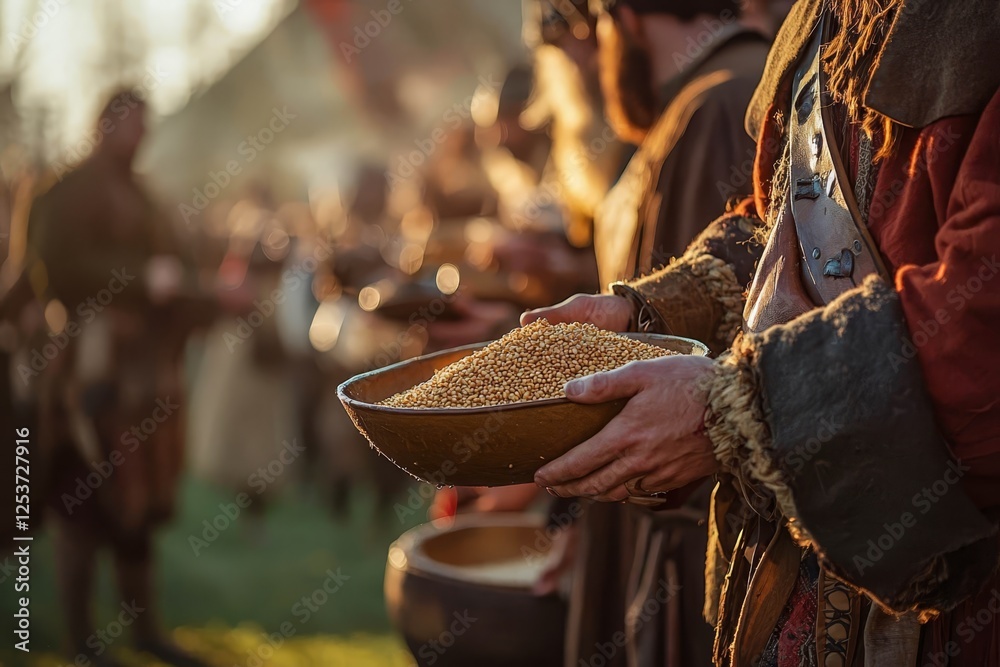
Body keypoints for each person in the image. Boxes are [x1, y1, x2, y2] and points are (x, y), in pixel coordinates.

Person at [524, 0, 1000, 664]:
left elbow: (979, 332)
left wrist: (735, 411)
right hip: (793, 579)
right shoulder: (825, 18)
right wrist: (665, 312)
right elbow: (789, 227)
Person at [26, 90, 214, 667]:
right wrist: (138, 279)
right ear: (102, 123)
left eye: (144, 125)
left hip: (144, 377)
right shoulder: (67, 190)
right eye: (129, 123)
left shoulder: (144, 194)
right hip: (91, 367)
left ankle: (146, 632)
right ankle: (82, 641)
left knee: (137, 500)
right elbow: (51, 265)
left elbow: (177, 264)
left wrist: (195, 287)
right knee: (83, 495)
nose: (139, 135)